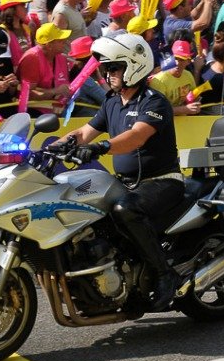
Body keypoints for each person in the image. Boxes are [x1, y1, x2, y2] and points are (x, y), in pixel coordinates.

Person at [54, 34, 182, 312]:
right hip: (126, 182)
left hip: (162, 182)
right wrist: (47, 149)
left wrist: (101, 147)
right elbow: (83, 133)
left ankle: (164, 274)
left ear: (134, 66)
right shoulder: (112, 102)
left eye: (114, 68)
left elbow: (136, 137)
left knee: (125, 209)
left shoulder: (154, 102)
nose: (107, 74)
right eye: (106, 68)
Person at [149, 39, 201, 116]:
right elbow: (156, 110)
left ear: (188, 61)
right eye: (175, 58)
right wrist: (184, 109)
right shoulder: (158, 80)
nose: (177, 63)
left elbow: (193, 96)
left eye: (182, 59)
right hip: (163, 125)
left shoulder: (188, 75)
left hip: (184, 122)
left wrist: (195, 102)